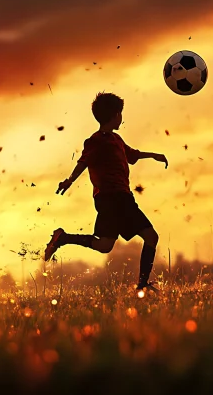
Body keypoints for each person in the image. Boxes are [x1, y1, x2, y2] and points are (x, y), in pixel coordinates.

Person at [43, 92, 167, 294]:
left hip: (123, 198)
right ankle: (142, 285)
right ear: (115, 114)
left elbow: (132, 155)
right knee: (150, 236)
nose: (122, 119)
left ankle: (63, 238)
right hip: (110, 199)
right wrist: (69, 180)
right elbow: (83, 162)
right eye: (121, 114)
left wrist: (153, 155)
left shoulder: (116, 139)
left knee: (105, 245)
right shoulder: (95, 141)